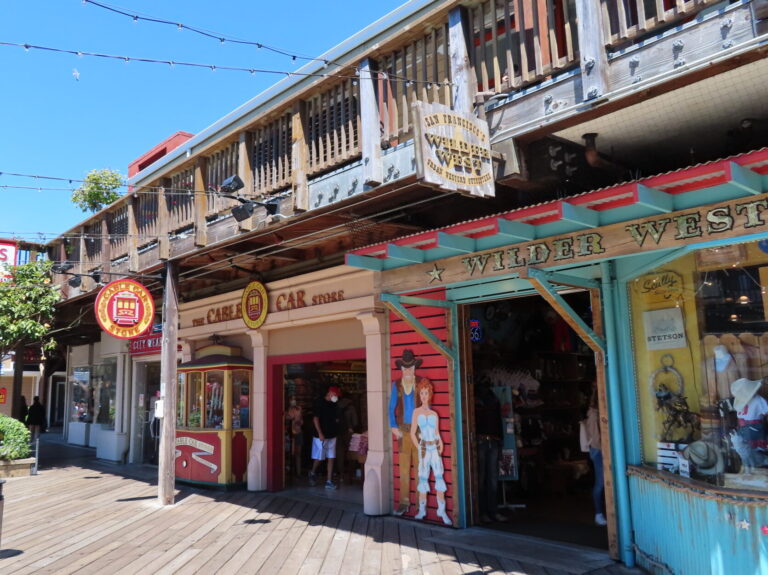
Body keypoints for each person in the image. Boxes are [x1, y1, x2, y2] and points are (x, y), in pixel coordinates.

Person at [388, 349, 426, 516]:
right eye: (405, 368)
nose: (408, 371)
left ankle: (420, 504)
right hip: (403, 430)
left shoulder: (422, 384)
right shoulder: (396, 385)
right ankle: (404, 502)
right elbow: (391, 408)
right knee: (404, 468)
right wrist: (393, 426)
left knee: (420, 467)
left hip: (419, 430)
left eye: (411, 368)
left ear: (415, 369)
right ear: (401, 370)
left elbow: (427, 407)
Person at [409, 379, 451, 525]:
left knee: (439, 479)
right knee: (423, 479)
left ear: (430, 394)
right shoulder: (416, 412)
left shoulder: (434, 414)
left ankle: (442, 510)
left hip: (434, 448)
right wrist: (418, 446)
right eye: (422, 393)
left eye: (426, 393)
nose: (424, 396)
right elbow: (412, 433)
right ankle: (422, 510)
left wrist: (441, 443)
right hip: (424, 448)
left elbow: (437, 432)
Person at [474, 380, 505, 523]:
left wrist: (500, 440)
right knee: (483, 478)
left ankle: (491, 510)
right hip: (482, 440)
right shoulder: (476, 399)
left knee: (491, 478)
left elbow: (498, 421)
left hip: (492, 439)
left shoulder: (492, 399)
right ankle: (482, 511)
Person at [309, 385, 342, 490]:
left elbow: (336, 417)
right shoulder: (319, 402)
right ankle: (313, 472)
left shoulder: (334, 404)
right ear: (330, 393)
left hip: (332, 435)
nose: (336, 397)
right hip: (321, 435)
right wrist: (320, 433)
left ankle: (329, 481)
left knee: (331, 457)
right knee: (319, 457)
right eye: (335, 394)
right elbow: (315, 419)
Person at [584, 385, 607, 526]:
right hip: (598, 450)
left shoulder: (599, 412)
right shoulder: (594, 413)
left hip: (600, 449)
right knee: (601, 482)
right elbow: (595, 436)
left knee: (604, 482)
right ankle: (598, 513)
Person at [336, 392, 358, 482]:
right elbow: (355, 422)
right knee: (351, 453)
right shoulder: (351, 407)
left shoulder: (337, 405)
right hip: (349, 432)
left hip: (337, 432)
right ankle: (350, 474)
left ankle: (340, 475)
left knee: (339, 454)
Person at [286, 396, 303, 476]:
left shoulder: (299, 409)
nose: (293, 401)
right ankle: (290, 472)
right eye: (292, 399)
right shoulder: (288, 410)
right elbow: (287, 419)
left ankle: (298, 473)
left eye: (294, 399)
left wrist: (299, 422)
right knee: (290, 453)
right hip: (290, 433)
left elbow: (301, 420)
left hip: (298, 432)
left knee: (298, 453)